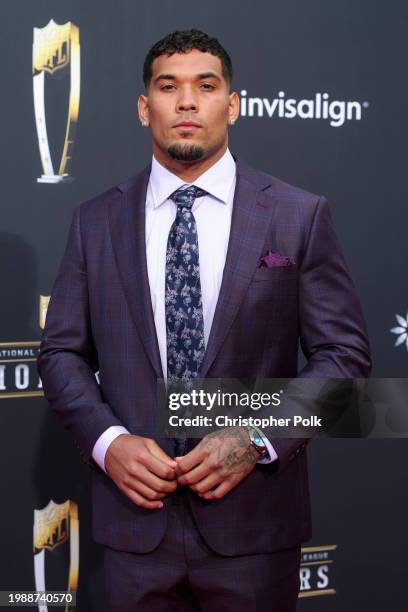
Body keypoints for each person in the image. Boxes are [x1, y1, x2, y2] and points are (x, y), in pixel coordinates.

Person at [37, 29, 371, 611]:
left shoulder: (298, 215)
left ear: (232, 105)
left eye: (205, 86)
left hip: (255, 531)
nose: (187, 102)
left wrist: (257, 436)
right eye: (168, 87)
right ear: (146, 109)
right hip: (134, 528)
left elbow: (344, 360)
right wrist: (108, 441)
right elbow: (61, 353)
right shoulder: (96, 222)